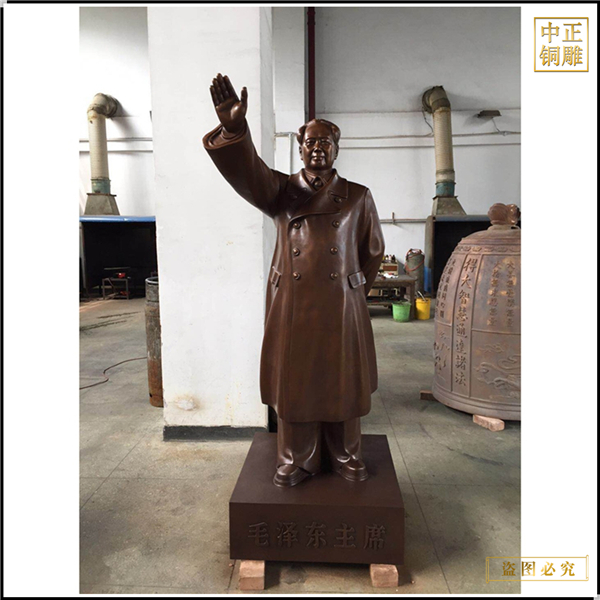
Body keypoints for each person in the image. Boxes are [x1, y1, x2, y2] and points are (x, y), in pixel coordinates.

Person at [204, 73, 385, 487]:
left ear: (337, 150)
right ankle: (296, 457)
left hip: (341, 303)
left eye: (326, 142)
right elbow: (247, 171)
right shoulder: (280, 190)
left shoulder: (358, 195)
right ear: (299, 149)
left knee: (341, 380)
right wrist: (234, 131)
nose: (318, 148)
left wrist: (352, 290)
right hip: (294, 302)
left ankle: (345, 452)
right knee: (297, 382)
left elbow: (372, 250)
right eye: (310, 142)